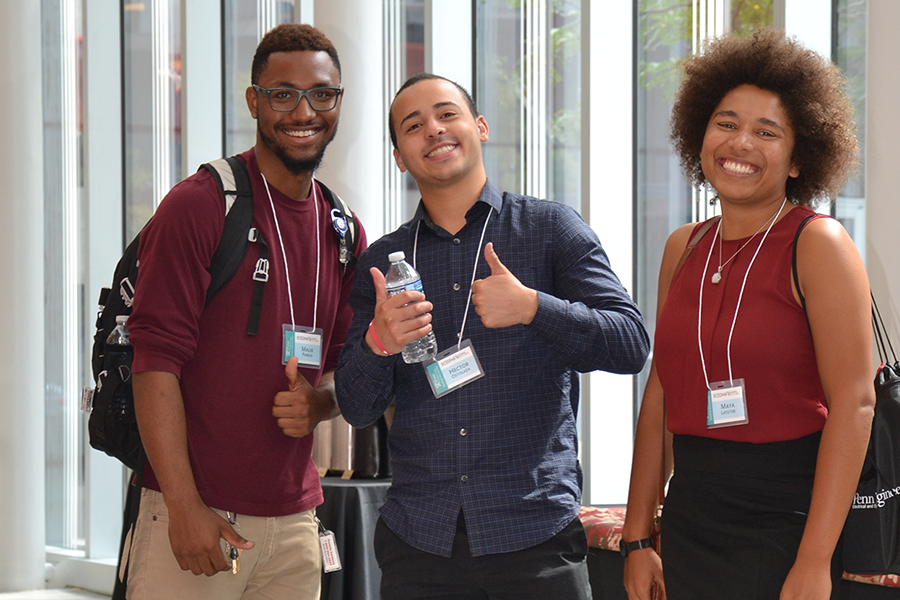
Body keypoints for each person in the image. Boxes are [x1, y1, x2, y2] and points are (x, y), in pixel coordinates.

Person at [335, 72, 650, 599]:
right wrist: (378, 344)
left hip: (535, 536)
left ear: (479, 127)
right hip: (419, 545)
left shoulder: (551, 230)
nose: (433, 129)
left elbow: (630, 342)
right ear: (399, 157)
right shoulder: (382, 264)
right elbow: (356, 407)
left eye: (446, 114)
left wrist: (534, 307)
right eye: (414, 125)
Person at [621, 29, 874, 600]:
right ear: (699, 133)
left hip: (786, 519)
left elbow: (856, 403)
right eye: (727, 123)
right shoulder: (683, 246)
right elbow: (660, 392)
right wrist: (638, 538)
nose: (740, 143)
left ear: (798, 157)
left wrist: (814, 561)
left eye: (767, 132)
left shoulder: (817, 244)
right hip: (691, 516)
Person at [125, 23, 366, 600]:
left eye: (321, 94)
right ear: (254, 101)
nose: (303, 110)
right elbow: (153, 362)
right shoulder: (203, 204)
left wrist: (321, 402)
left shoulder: (344, 232)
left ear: (338, 103)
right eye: (282, 93)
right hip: (194, 513)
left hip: (297, 527)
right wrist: (182, 506)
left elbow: (342, 365)